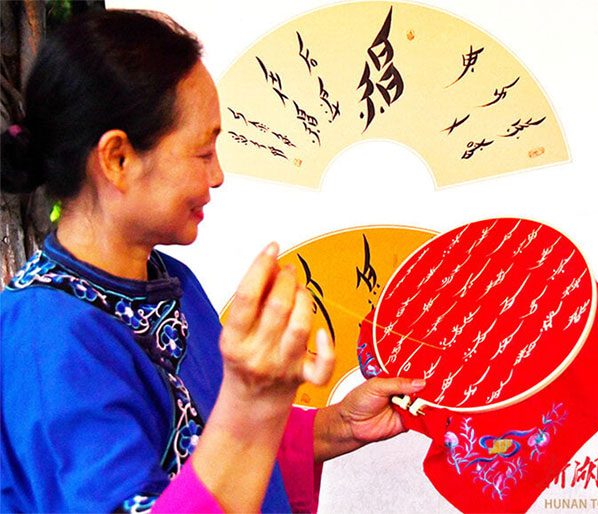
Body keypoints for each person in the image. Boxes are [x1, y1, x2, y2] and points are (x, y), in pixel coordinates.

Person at [0, 9, 427, 513]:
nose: (218, 175)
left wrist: (337, 425)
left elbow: (209, 431)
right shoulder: (45, 338)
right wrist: (252, 398)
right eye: (203, 154)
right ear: (117, 159)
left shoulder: (169, 280)